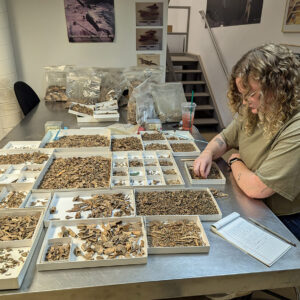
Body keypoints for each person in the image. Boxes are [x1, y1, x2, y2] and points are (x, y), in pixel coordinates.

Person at [194, 43, 300, 240]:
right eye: (242, 95)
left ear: (278, 86)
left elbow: (258, 188)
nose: (245, 102)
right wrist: (207, 153)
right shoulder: (257, 109)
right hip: (251, 203)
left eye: (251, 94)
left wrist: (235, 161)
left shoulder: (295, 126)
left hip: (283, 220)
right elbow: (224, 138)